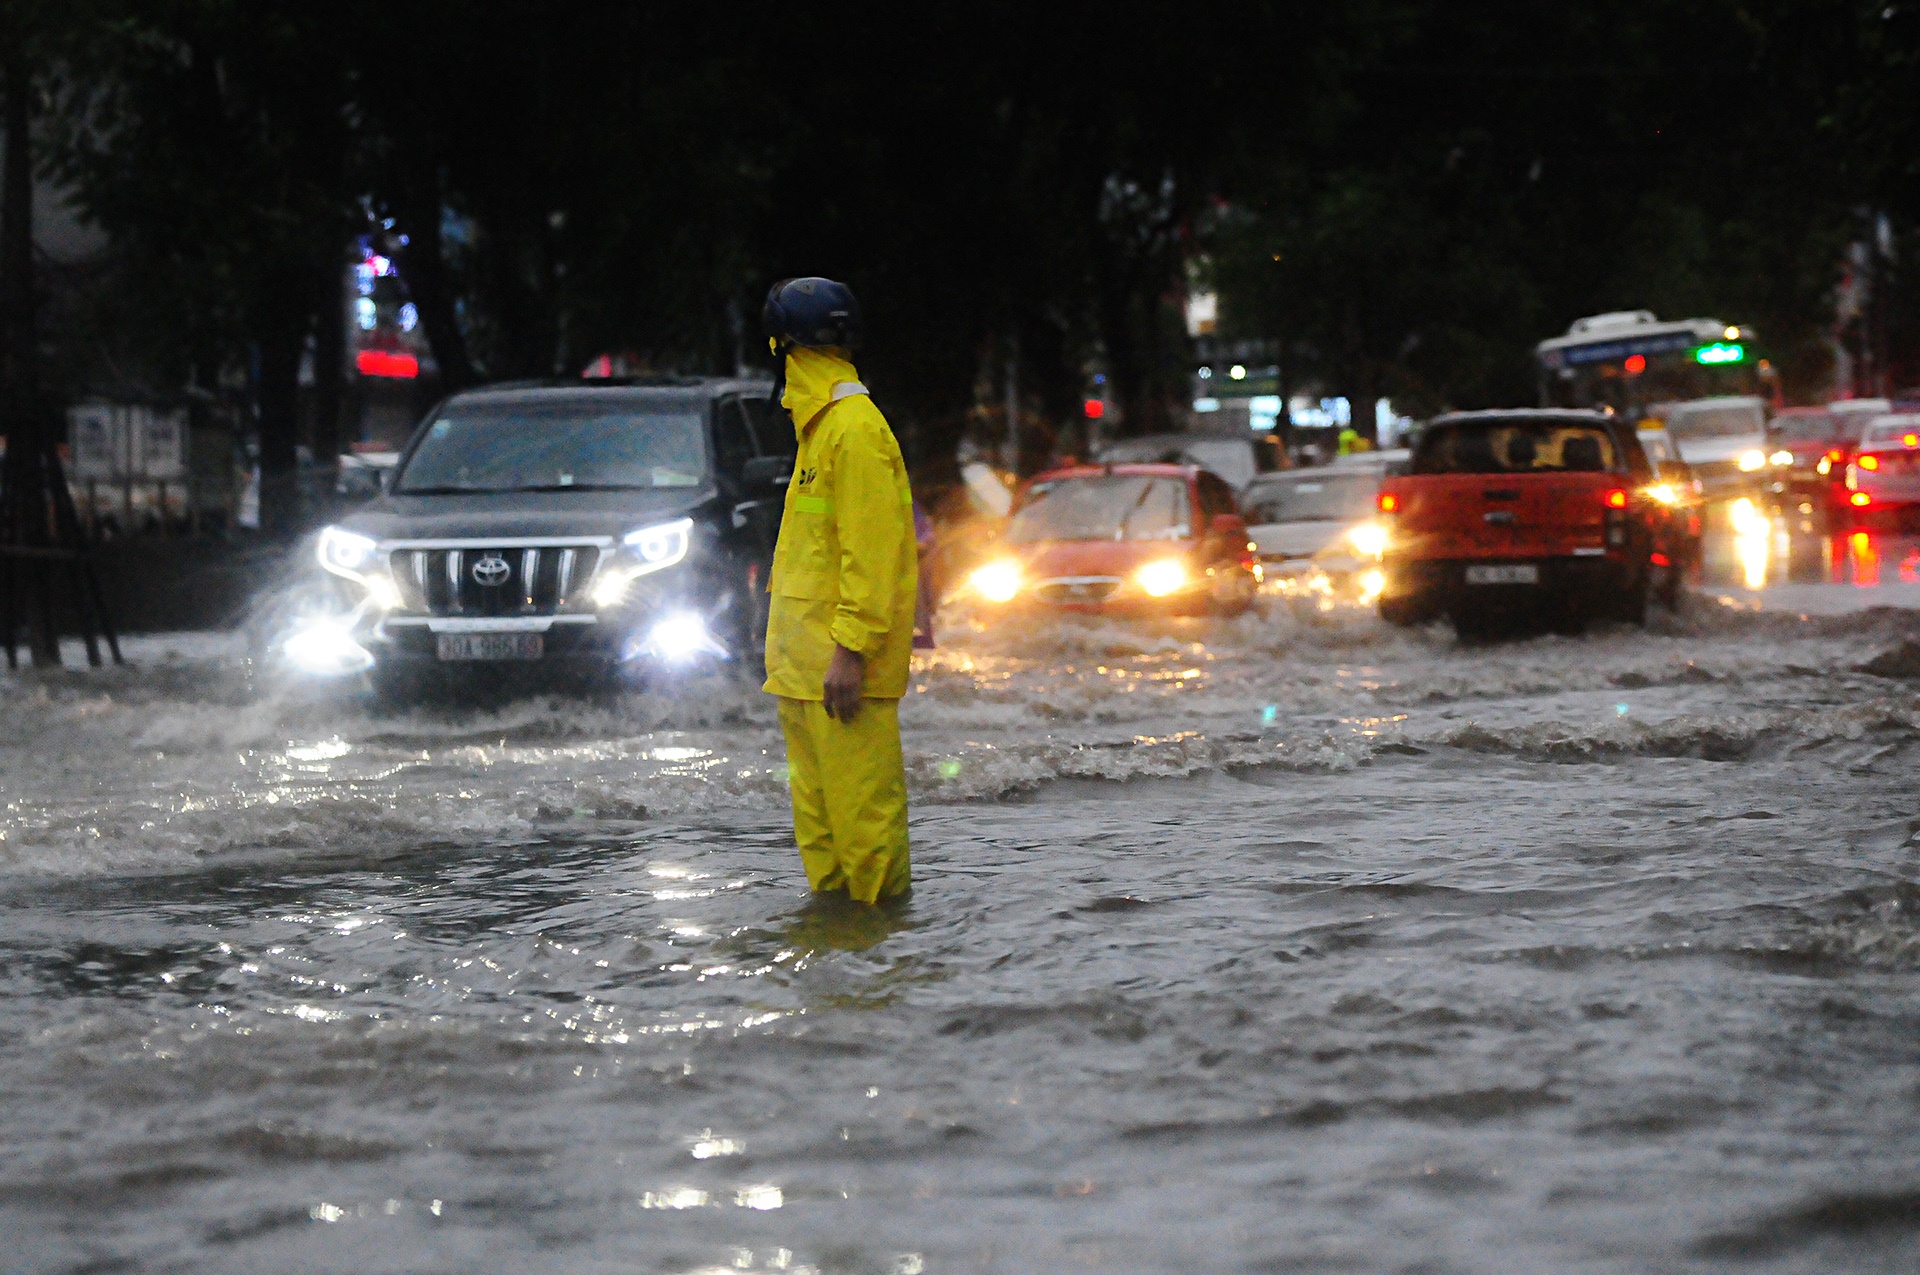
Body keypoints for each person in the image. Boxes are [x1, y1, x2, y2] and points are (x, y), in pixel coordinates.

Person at [761, 277, 917, 904]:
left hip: (838, 672)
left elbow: (873, 555)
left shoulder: (852, 430)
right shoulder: (819, 428)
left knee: (866, 838)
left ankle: (881, 971)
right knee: (825, 844)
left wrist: (850, 652)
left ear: (782, 346)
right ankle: (836, 963)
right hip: (803, 675)